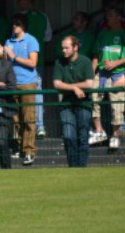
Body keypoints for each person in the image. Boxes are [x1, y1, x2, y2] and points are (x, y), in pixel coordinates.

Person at [90, 7, 125, 150]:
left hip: (118, 73)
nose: (107, 18)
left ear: (118, 18)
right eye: (106, 15)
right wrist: (92, 74)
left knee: (117, 105)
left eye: (110, 15)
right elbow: (96, 55)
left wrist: (116, 63)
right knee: (93, 99)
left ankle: (115, 135)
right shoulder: (103, 34)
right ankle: (99, 131)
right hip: (102, 73)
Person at [53, 36, 95, 167]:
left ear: (75, 47)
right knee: (68, 136)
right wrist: (74, 88)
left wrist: (70, 86)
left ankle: (82, 167)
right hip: (67, 105)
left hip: (84, 103)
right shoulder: (59, 62)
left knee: (83, 136)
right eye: (62, 48)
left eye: (66, 48)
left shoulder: (85, 61)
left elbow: (89, 83)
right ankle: (72, 166)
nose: (63, 50)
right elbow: (57, 84)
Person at [4, 13, 39, 165]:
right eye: (13, 23)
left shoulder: (31, 40)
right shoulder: (8, 41)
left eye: (17, 24)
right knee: (16, 119)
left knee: (28, 118)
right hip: (12, 84)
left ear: (23, 26)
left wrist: (14, 57)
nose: (14, 26)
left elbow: (33, 63)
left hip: (27, 83)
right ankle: (20, 147)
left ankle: (29, 151)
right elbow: (5, 61)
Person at [17, 0, 52, 139]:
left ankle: (22, 128)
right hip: (39, 60)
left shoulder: (19, 18)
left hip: (20, 62)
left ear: (28, 1)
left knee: (20, 94)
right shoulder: (43, 17)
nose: (18, 3)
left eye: (20, 0)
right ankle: (40, 126)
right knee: (37, 93)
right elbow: (48, 37)